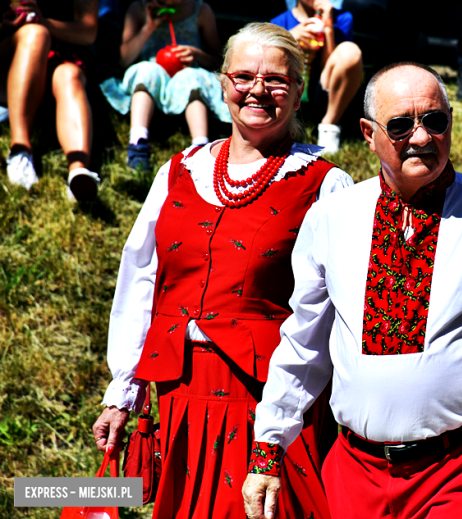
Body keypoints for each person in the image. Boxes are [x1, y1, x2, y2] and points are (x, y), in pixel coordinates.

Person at [243, 62, 462, 519]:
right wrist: (269, 446)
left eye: (435, 121)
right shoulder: (334, 216)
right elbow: (304, 343)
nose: (422, 137)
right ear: (368, 133)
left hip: (457, 469)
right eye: (402, 125)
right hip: (354, 470)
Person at [91, 22, 352, 519]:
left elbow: (330, 314)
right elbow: (141, 279)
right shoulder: (177, 171)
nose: (258, 89)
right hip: (177, 396)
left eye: (276, 80)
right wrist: (123, 394)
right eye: (243, 76)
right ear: (221, 83)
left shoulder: (325, 184)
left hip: (268, 402)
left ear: (299, 94)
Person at [100, 0, 229, 171]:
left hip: (187, 75)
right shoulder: (139, 9)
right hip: (154, 76)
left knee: (192, 79)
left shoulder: (200, 10)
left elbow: (217, 60)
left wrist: (196, 54)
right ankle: (138, 141)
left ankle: (201, 148)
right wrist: (148, 28)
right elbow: (124, 60)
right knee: (145, 71)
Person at [0, 0, 101, 201]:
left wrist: (47, 22)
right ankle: (20, 150)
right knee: (36, 34)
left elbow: (88, 32)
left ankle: (78, 171)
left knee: (69, 75)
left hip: (59, 58)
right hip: (10, 59)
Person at [271, 0, 362, 154]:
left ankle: (329, 125)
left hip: (326, 91)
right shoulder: (279, 22)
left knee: (350, 51)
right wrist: (289, 37)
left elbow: (332, 66)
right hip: (291, 93)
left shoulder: (342, 19)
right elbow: (271, 67)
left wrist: (328, 25)